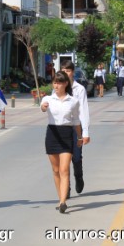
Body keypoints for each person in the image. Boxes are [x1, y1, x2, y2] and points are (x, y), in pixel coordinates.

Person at [41, 71, 83, 213]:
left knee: (64, 169)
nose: (56, 85)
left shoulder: (73, 101)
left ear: (65, 84)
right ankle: (60, 199)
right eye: (54, 83)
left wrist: (80, 137)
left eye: (59, 83)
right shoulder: (48, 99)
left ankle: (63, 201)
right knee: (56, 170)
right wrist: (43, 107)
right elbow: (42, 108)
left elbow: (76, 121)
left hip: (66, 135)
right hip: (52, 134)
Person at [60, 60, 90, 198]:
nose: (66, 73)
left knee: (76, 157)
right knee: (64, 159)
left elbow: (84, 111)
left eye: (68, 70)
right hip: (62, 128)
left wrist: (85, 132)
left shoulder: (80, 89)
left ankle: (79, 177)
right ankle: (66, 188)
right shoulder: (58, 87)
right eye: (63, 70)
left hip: (76, 128)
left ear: (72, 72)